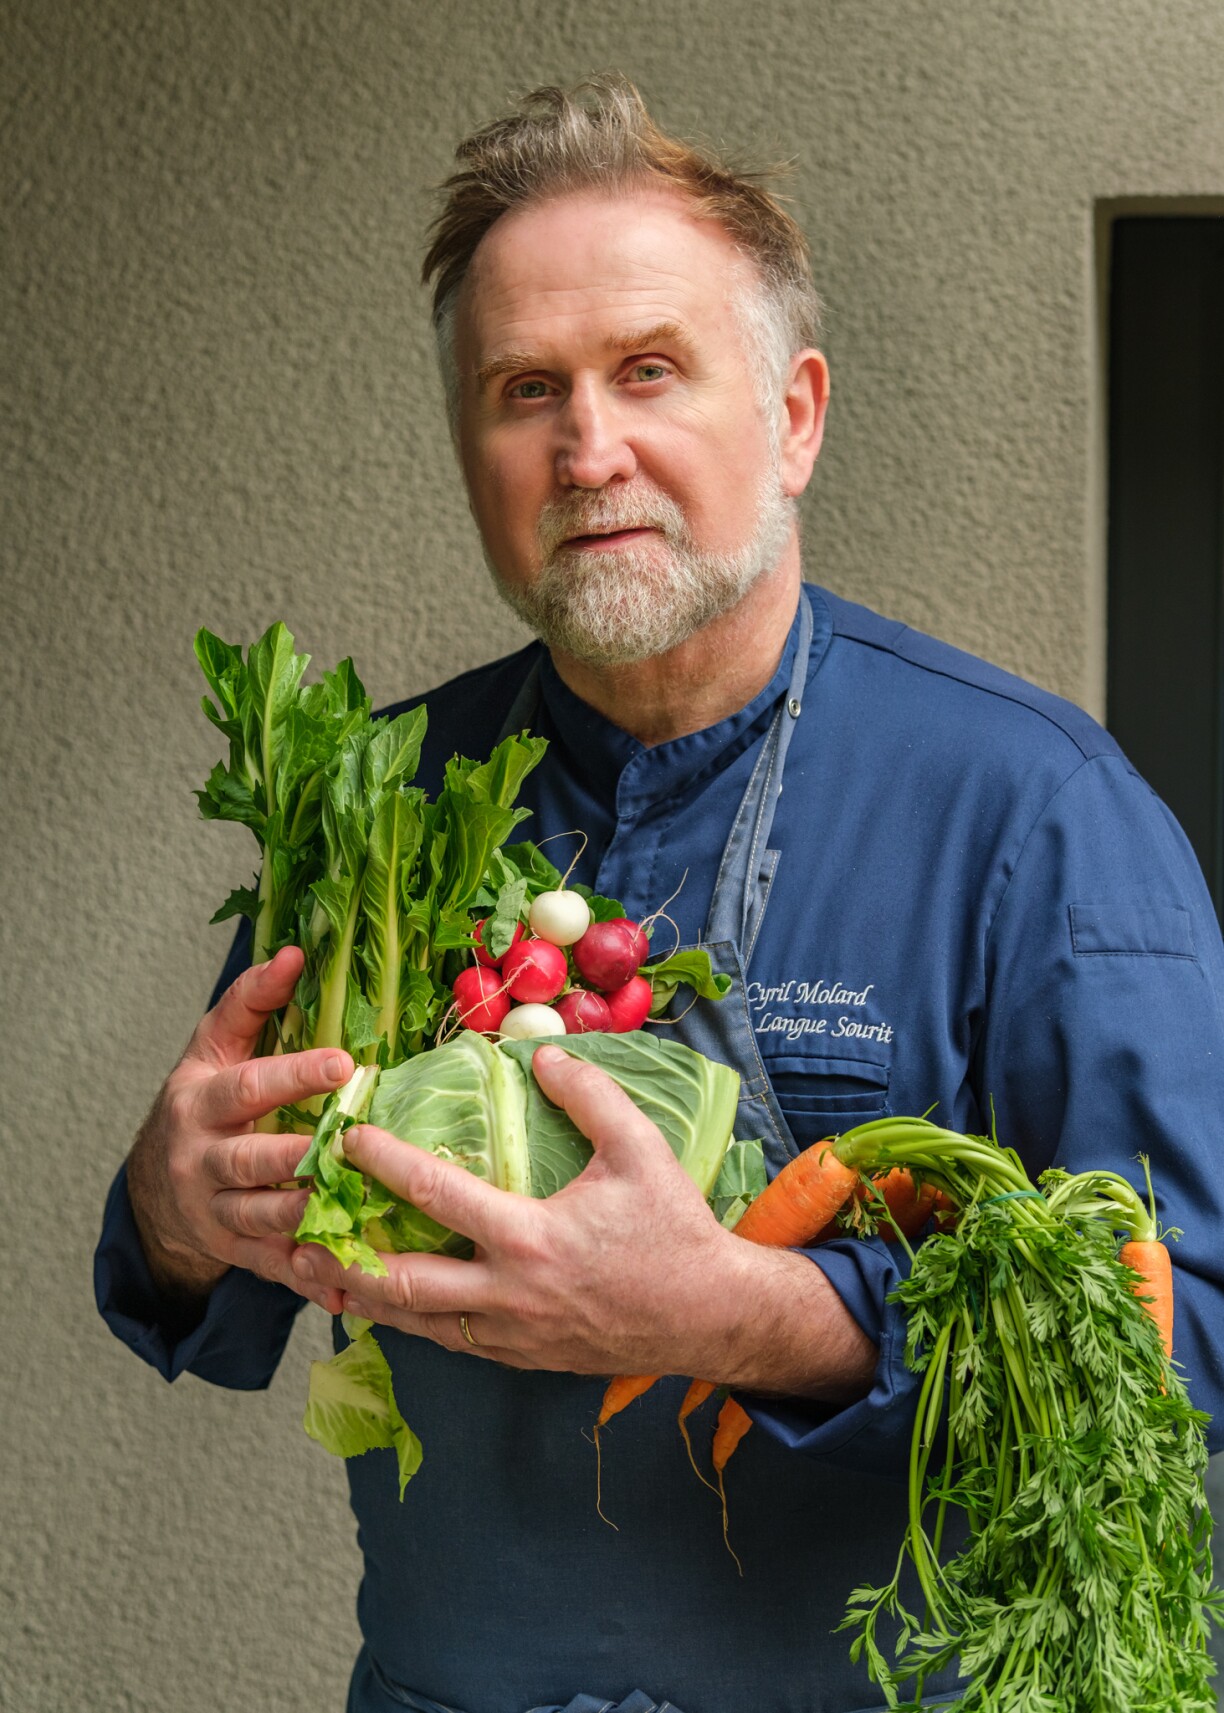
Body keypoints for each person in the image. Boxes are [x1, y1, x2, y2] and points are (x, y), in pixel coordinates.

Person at [96, 78, 1224, 1713]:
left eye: (647, 370)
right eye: (523, 389)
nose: (587, 446)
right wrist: (173, 1209)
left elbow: (1182, 1344)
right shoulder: (368, 803)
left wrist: (760, 1315)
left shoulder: (1039, 816)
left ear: (796, 417)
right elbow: (186, 1284)